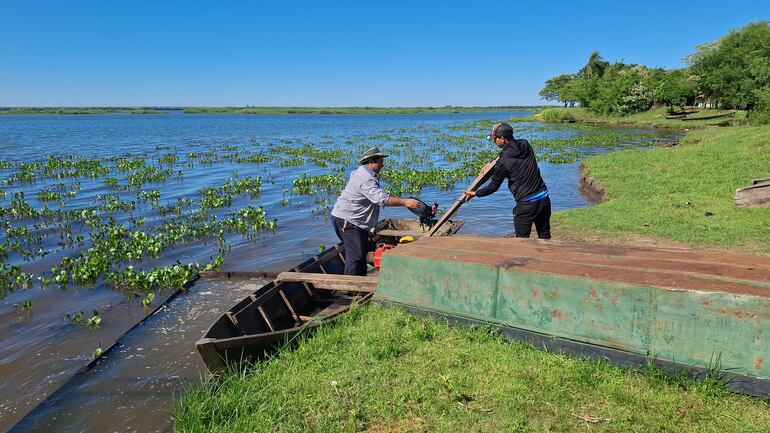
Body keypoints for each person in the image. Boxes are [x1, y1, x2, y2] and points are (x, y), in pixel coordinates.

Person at [330, 147, 421, 275]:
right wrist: (406, 202)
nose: (382, 165)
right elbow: (381, 199)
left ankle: (359, 282)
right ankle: (350, 288)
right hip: (348, 220)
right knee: (355, 256)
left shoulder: (364, 173)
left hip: (353, 220)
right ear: (371, 162)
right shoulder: (364, 178)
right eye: (380, 161)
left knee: (360, 253)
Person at [464, 122, 551, 239]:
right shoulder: (525, 144)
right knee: (545, 236)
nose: (494, 142)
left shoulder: (502, 163)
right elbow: (509, 152)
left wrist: (475, 193)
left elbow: (493, 187)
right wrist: (490, 163)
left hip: (526, 205)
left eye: (495, 139)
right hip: (544, 199)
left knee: (522, 241)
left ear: (503, 138)